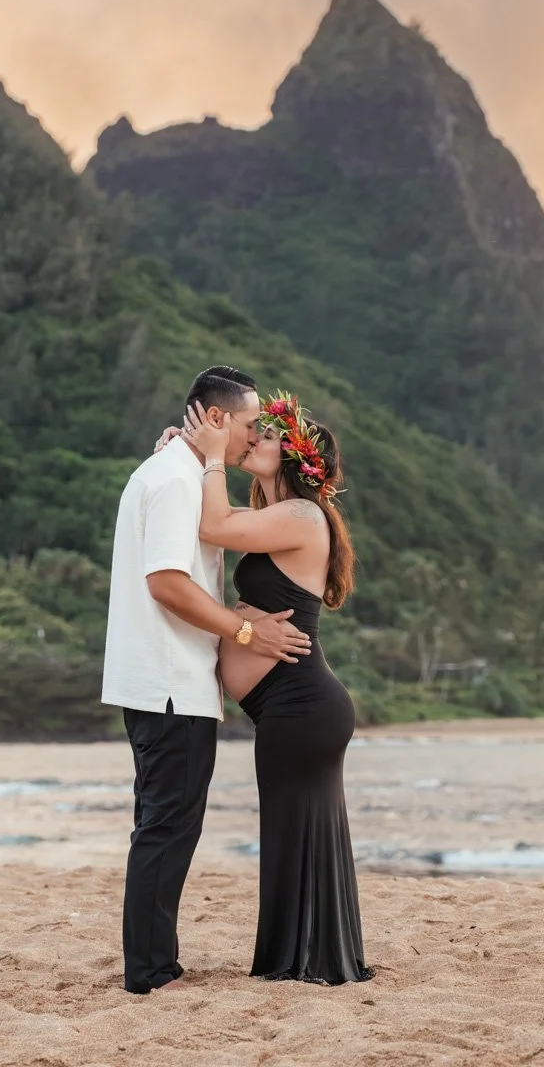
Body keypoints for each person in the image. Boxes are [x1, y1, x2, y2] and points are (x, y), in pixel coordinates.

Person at [102, 366, 313, 995]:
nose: (257, 437)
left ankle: (154, 961)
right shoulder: (174, 480)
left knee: (163, 825)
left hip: (166, 680)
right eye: (251, 425)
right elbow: (167, 584)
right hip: (170, 681)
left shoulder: (180, 472)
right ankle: (150, 971)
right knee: (167, 828)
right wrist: (247, 633)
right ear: (216, 420)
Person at [168, 390, 374, 985]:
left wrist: (207, 457)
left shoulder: (304, 517)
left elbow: (214, 522)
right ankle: (313, 955)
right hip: (292, 707)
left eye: (269, 434)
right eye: (254, 431)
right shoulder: (280, 516)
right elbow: (223, 523)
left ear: (294, 457)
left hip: (302, 705)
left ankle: (301, 960)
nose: (255, 437)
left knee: (293, 830)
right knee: (297, 829)